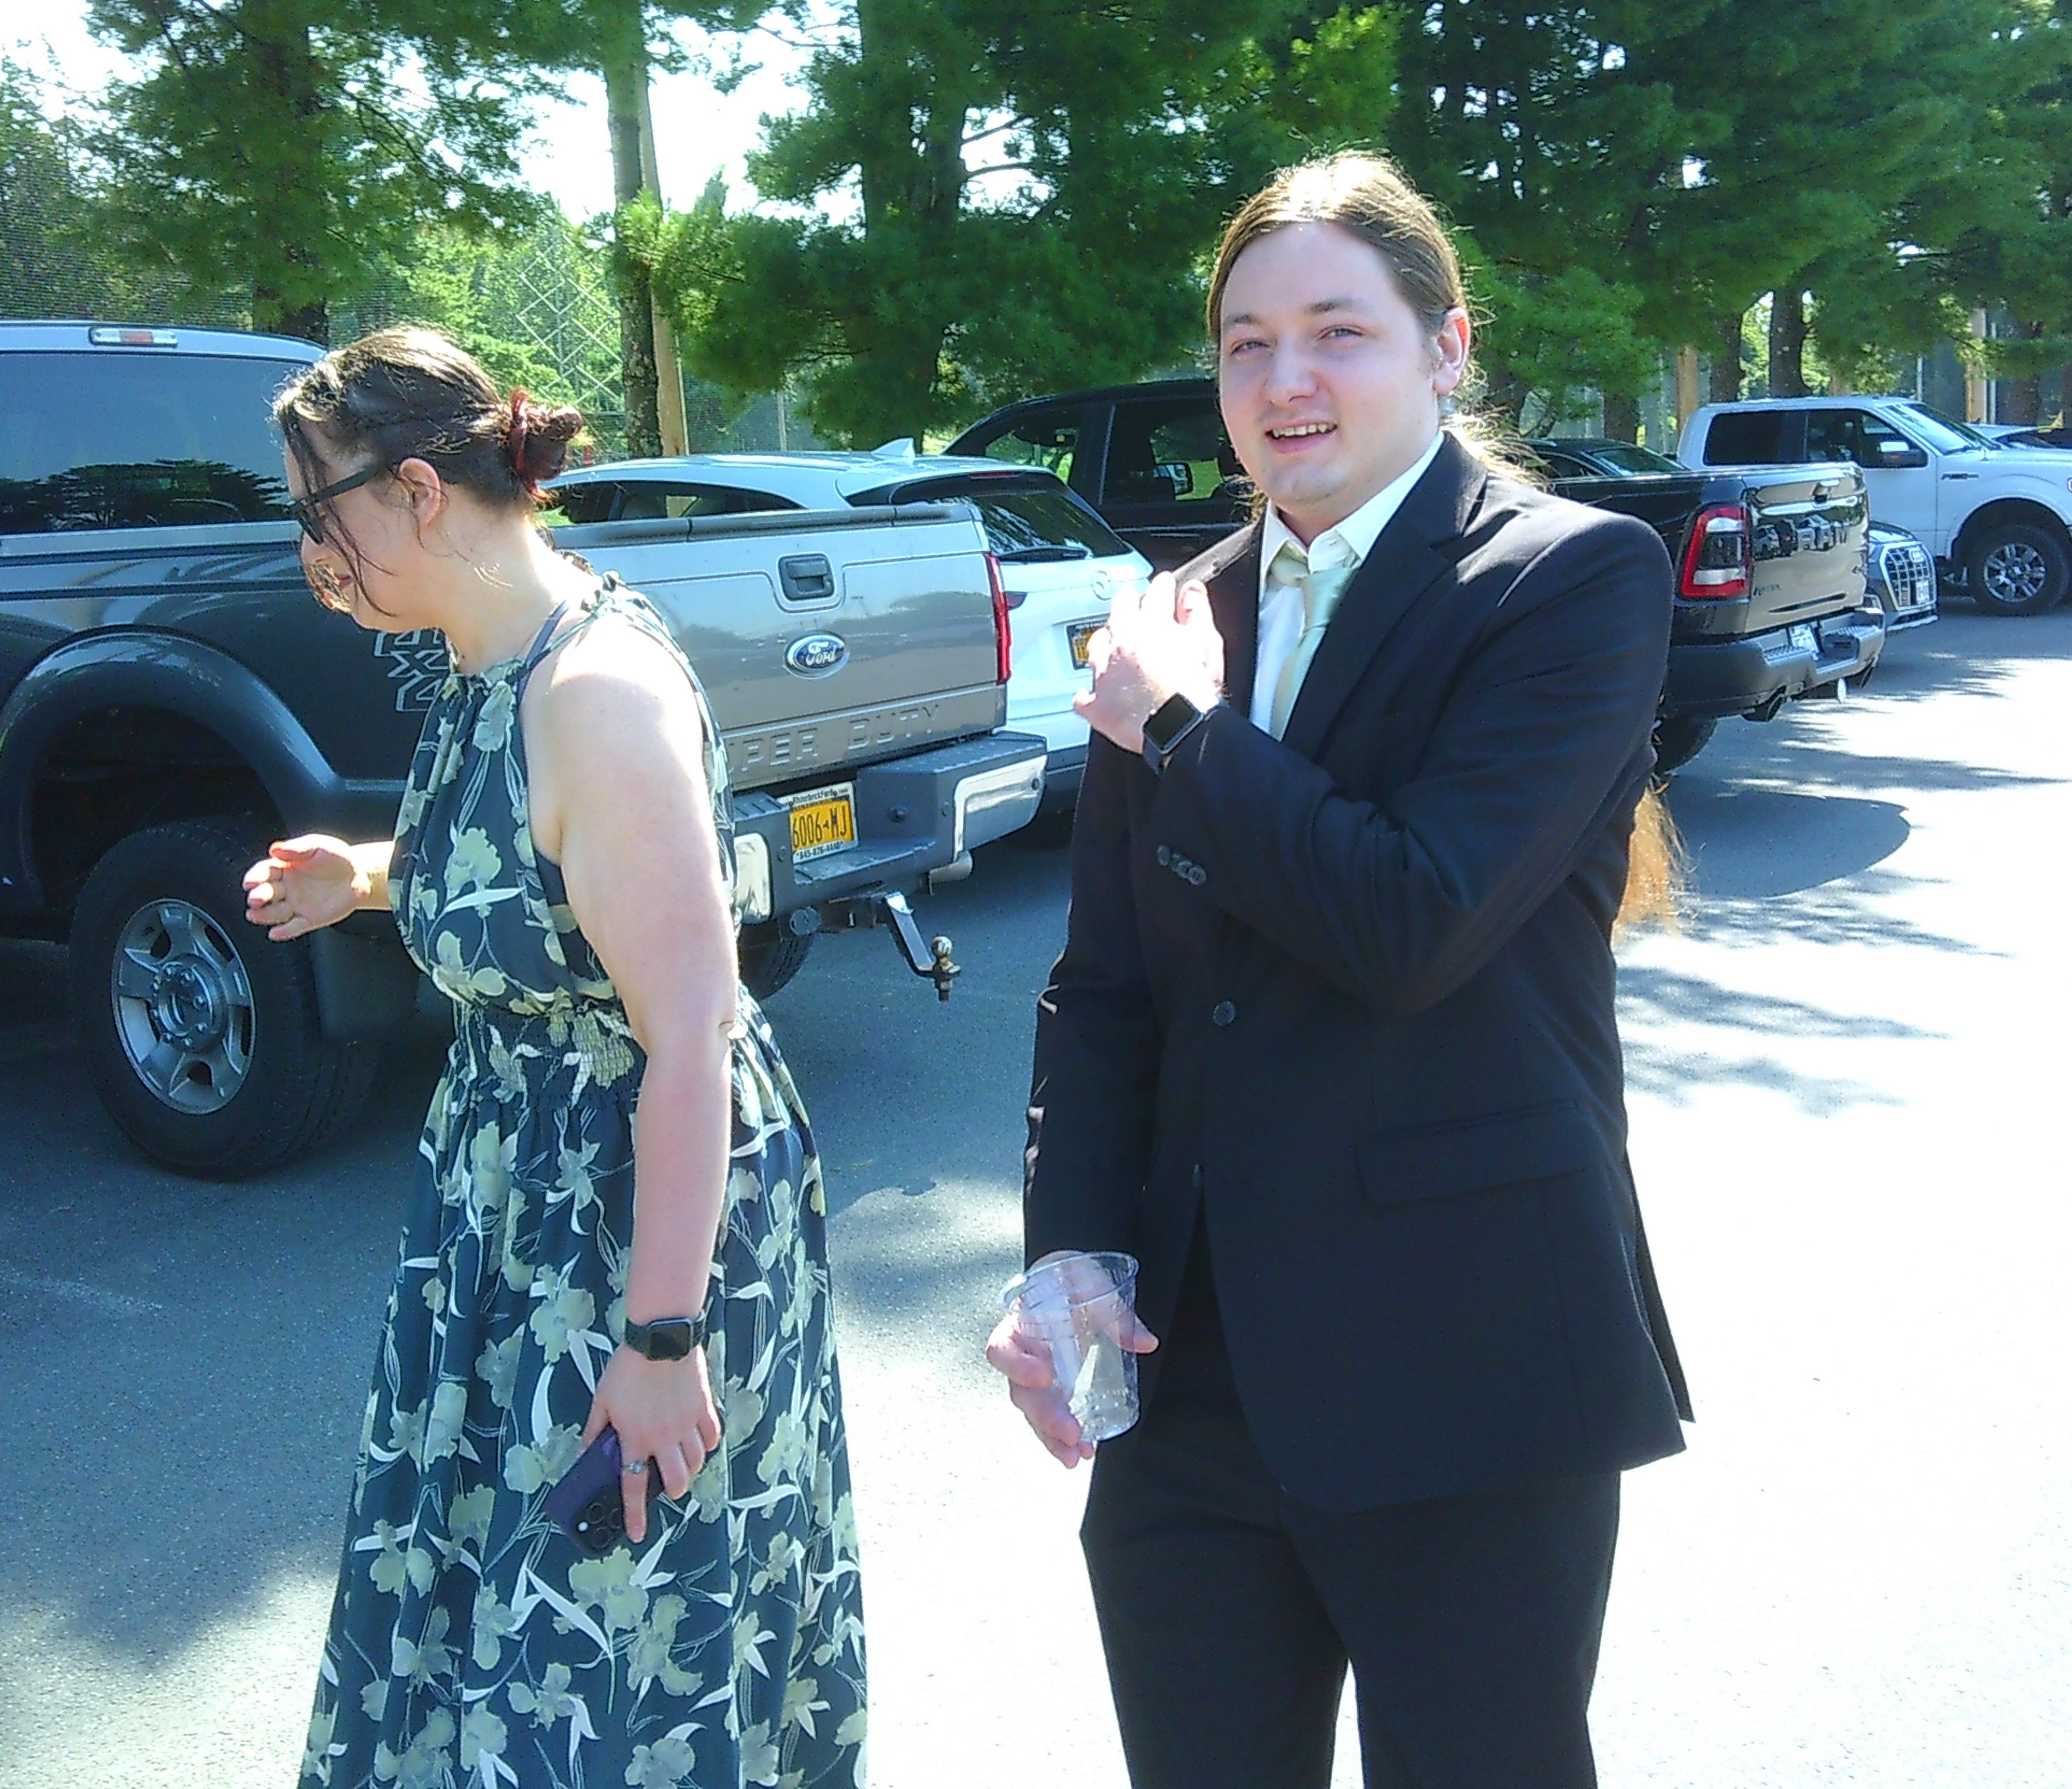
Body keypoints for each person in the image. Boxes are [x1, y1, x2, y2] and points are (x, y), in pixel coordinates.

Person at [988, 154, 1690, 1789]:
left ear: (1446, 346)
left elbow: (1412, 923)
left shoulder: (1564, 581)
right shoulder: (1181, 612)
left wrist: (1177, 726)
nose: (1284, 380)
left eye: (1337, 332)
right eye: (1245, 341)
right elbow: (1106, 991)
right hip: (1194, 1379)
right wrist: (1069, 1248)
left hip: (1465, 1369)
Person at [246, 329, 864, 1789]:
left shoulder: (595, 696)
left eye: (313, 510)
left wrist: (660, 1341)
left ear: (414, 491)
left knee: (608, 1641)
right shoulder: (485, 660)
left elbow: (692, 1039)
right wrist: (373, 875)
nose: (310, 549)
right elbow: (541, 882)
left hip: (632, 1213)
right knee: (492, 1603)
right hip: (514, 1199)